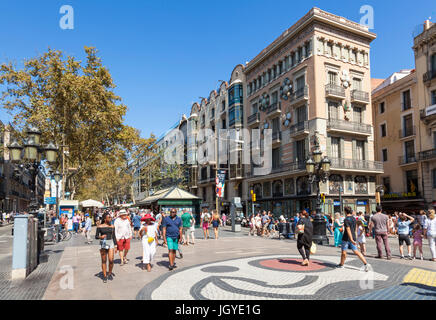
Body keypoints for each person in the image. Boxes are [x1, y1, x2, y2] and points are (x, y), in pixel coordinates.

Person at [337, 206, 370, 272]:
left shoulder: (346, 219)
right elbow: (355, 228)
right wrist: (355, 237)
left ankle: (341, 264)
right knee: (356, 252)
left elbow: (348, 230)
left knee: (344, 252)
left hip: (346, 238)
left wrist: (351, 239)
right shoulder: (354, 218)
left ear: (345, 211)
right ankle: (366, 264)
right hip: (353, 237)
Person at [95, 212, 116, 283]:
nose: (111, 218)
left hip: (110, 243)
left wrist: (116, 246)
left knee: (111, 260)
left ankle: (109, 273)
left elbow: (114, 237)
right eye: (109, 217)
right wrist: (100, 237)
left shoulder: (112, 226)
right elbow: (96, 236)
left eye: (111, 217)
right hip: (103, 243)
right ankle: (104, 276)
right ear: (105, 219)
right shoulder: (100, 226)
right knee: (104, 260)